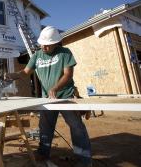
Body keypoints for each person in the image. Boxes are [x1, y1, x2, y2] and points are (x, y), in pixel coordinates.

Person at [5, 26, 92, 167]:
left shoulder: (65, 53)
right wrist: (12, 75)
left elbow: (68, 74)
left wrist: (56, 87)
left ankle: (84, 160)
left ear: (55, 43)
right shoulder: (37, 55)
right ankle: (43, 154)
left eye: (48, 45)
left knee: (76, 127)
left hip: (66, 96)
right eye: (42, 44)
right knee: (45, 127)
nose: (44, 48)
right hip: (48, 98)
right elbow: (26, 72)